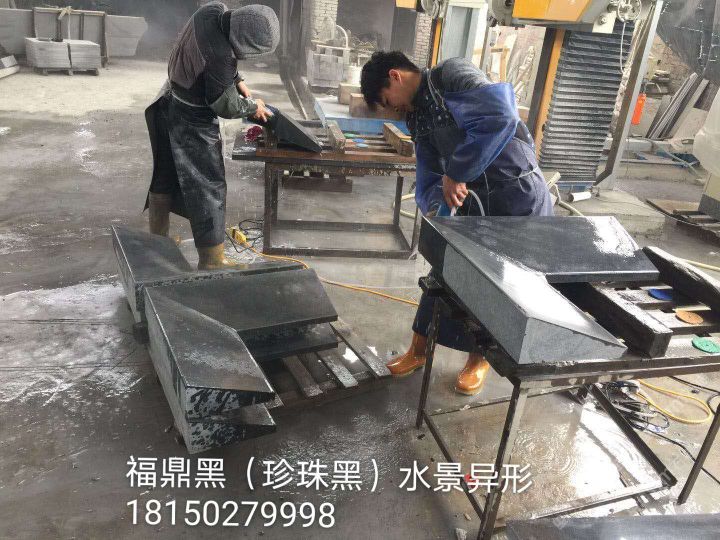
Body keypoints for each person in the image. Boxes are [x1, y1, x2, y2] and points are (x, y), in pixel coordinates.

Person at [360, 51, 553, 395]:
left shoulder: (451, 75)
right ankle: (419, 349)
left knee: (497, 285)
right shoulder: (417, 116)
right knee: (445, 271)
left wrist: (458, 172)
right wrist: (433, 203)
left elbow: (500, 117)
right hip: (474, 198)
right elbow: (428, 169)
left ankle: (479, 360)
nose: (392, 110)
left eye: (387, 101)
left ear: (395, 76)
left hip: (516, 195)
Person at [144, 2, 279, 269]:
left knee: (164, 174)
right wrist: (252, 107)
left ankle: (158, 239)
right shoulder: (220, 57)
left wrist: (237, 80)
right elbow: (224, 105)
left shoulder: (211, 11)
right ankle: (212, 260)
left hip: (168, 99)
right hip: (192, 118)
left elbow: (218, 54)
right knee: (208, 187)